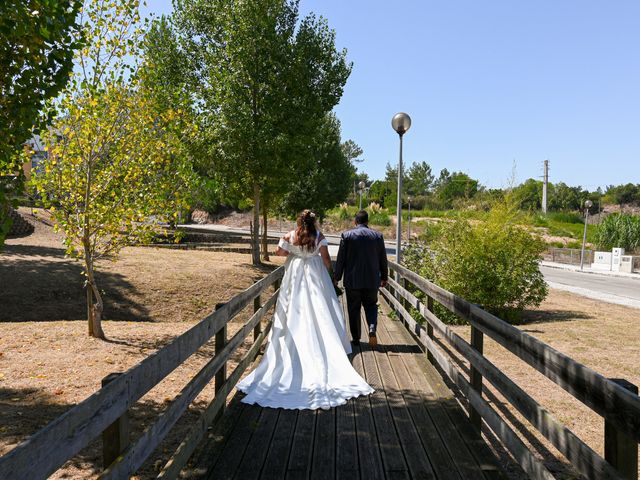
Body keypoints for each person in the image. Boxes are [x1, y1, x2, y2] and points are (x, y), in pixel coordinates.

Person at [236, 209, 373, 410]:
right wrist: (332, 275)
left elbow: (280, 253)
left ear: (299, 220)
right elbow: (326, 258)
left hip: (295, 273)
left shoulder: (291, 235)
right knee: (321, 307)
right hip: (315, 274)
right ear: (314, 221)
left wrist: (287, 245)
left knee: (294, 306)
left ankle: (296, 335)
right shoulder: (319, 236)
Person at [333, 210, 388, 348]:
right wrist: (384, 277)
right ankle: (372, 328)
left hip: (353, 280)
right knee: (371, 305)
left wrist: (336, 277)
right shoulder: (378, 236)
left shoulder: (347, 236)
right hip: (371, 280)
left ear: (355, 221)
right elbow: (383, 259)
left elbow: (341, 260)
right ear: (367, 222)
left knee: (353, 309)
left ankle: (356, 339)